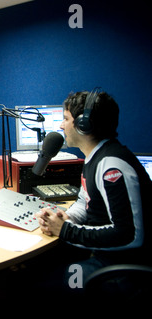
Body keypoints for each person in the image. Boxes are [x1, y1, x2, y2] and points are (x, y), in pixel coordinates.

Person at [35, 89, 152, 291]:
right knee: (38, 270)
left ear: (84, 124)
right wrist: (67, 217)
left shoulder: (111, 165)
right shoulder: (95, 157)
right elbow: (84, 201)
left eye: (65, 119)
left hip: (121, 269)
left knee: (44, 284)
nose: (61, 125)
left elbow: (129, 235)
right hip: (105, 257)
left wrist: (65, 230)